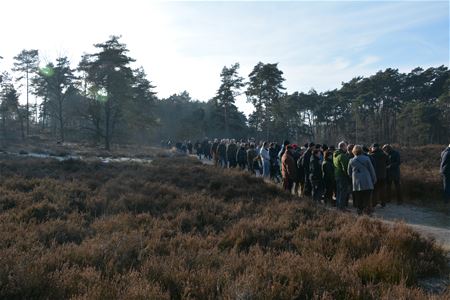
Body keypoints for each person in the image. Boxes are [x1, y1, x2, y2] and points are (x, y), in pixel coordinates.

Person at [348, 145, 377, 215]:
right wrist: (374, 179)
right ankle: (368, 213)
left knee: (359, 199)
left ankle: (359, 213)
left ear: (353, 151)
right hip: (367, 181)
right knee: (367, 199)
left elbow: (349, 172)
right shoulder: (366, 159)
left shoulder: (351, 161)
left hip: (356, 183)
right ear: (361, 151)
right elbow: (371, 170)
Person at [369, 143, 388, 208]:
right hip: (383, 175)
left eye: (372, 147)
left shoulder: (372, 156)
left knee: (375, 190)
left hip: (375, 175)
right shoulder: (384, 155)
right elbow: (387, 163)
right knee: (383, 190)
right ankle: (383, 203)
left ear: (374, 148)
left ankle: (374, 203)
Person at [333, 141, 350, 210]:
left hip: (337, 175)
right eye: (346, 146)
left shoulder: (335, 154)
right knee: (343, 192)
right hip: (342, 176)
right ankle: (342, 207)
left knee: (339, 191)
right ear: (343, 147)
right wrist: (348, 175)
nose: (347, 148)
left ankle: (338, 205)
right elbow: (345, 168)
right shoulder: (342, 156)